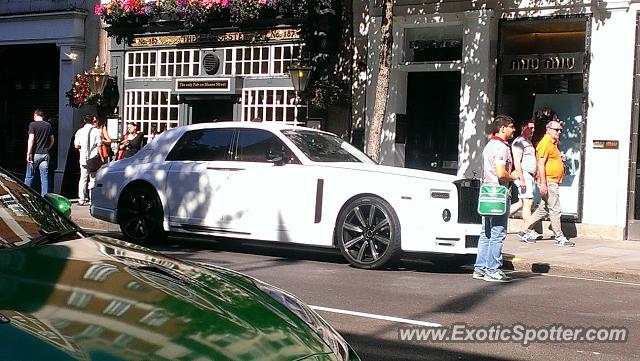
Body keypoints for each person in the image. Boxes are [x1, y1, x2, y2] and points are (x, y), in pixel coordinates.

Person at [473, 115, 519, 283]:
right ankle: (493, 269)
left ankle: (480, 268)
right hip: (498, 194)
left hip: (486, 193)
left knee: (485, 233)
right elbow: (501, 173)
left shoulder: (489, 145)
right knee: (497, 233)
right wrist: (513, 176)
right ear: (502, 128)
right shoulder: (501, 147)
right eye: (511, 127)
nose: (514, 130)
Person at [519, 120, 575, 246]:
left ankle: (523, 230)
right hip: (549, 181)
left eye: (560, 130)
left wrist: (560, 159)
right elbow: (540, 164)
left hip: (552, 180)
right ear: (548, 130)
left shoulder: (553, 143)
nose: (559, 132)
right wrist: (543, 183)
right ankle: (559, 237)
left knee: (544, 209)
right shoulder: (545, 143)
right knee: (555, 209)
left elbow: (549, 160)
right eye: (556, 130)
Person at [509, 118, 543, 240]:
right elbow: (517, 161)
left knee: (521, 202)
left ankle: (500, 218)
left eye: (534, 128)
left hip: (529, 175)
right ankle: (527, 231)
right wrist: (522, 178)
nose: (533, 130)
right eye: (530, 128)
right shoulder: (519, 142)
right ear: (523, 128)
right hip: (523, 174)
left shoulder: (527, 141)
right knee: (528, 202)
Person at [74, 114, 102, 206]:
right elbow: (99, 145)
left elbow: (76, 145)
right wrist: (101, 157)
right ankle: (91, 199)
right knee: (93, 179)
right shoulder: (97, 131)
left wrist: (81, 149)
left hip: (83, 158)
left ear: (84, 120)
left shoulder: (79, 131)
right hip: (93, 158)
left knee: (83, 179)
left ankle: (81, 199)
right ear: (92, 120)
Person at [24, 109, 54, 196]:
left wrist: (28, 153)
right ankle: (44, 197)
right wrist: (48, 147)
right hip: (45, 154)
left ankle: (26, 195)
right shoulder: (48, 125)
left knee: (29, 176)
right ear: (43, 116)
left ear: (35, 115)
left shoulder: (32, 125)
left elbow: (31, 139)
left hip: (35, 154)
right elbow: (52, 140)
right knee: (44, 177)